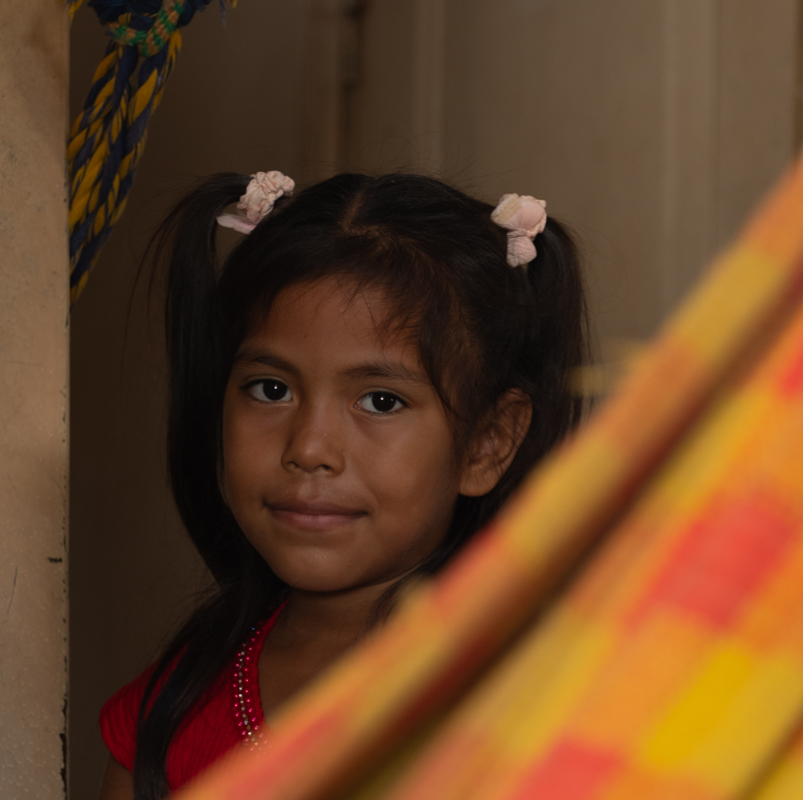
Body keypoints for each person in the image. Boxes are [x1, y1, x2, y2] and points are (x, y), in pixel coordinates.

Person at [97, 171, 588, 800]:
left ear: (488, 442)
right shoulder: (165, 721)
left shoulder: (543, 699)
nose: (308, 449)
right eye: (270, 389)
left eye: (380, 401)